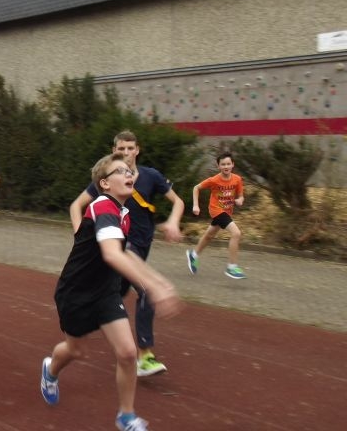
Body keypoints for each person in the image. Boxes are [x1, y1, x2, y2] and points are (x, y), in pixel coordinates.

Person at [41, 153, 181, 431]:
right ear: (104, 183)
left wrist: (158, 281)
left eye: (129, 171)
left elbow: (126, 253)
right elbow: (112, 254)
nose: (129, 174)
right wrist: (151, 287)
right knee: (76, 350)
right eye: (120, 171)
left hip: (105, 291)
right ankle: (50, 370)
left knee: (128, 353)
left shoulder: (123, 213)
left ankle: (126, 416)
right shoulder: (103, 206)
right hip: (76, 293)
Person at [70, 130, 183, 377]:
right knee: (145, 290)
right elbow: (76, 205)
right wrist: (81, 234)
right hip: (122, 246)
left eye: (130, 148)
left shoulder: (151, 176)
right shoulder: (109, 178)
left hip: (142, 244)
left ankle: (87, 321)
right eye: (121, 149)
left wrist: (173, 222)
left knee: (114, 294)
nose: (126, 153)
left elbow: (178, 202)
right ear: (114, 151)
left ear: (137, 150)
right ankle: (145, 355)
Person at [187, 151, 247, 279]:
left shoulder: (237, 179)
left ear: (233, 164)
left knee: (209, 235)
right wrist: (195, 205)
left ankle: (193, 255)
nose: (226, 166)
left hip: (227, 211)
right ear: (218, 166)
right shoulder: (214, 180)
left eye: (228, 164)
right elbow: (196, 188)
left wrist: (240, 200)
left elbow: (241, 196)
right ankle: (232, 267)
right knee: (236, 233)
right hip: (216, 210)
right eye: (223, 164)